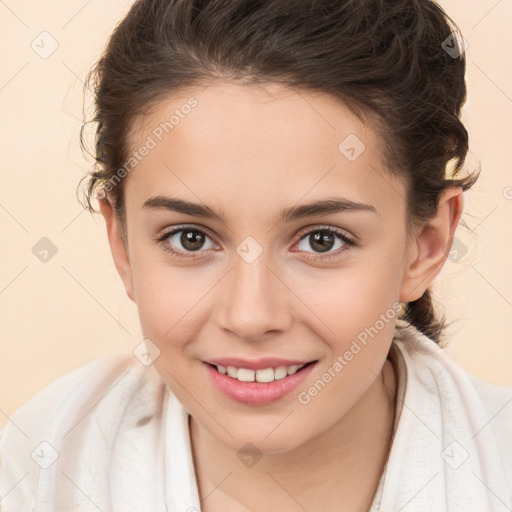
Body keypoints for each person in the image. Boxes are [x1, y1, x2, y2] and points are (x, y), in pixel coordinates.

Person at [1, 0, 511, 510]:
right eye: (191, 239)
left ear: (425, 246)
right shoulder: (38, 473)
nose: (249, 317)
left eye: (322, 240)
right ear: (124, 244)